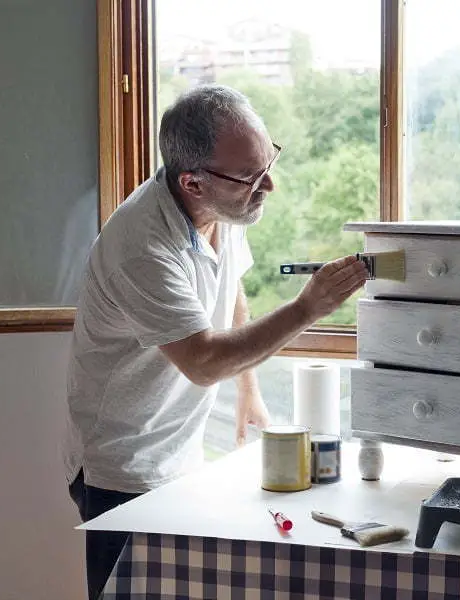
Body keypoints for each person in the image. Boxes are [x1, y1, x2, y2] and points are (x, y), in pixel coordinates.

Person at [62, 84, 368, 599]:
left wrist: (249, 387)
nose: (268, 183)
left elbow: (233, 290)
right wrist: (305, 309)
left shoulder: (228, 205)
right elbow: (203, 363)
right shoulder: (142, 246)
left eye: (269, 159)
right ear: (193, 182)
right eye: (251, 175)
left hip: (180, 452)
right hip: (121, 466)